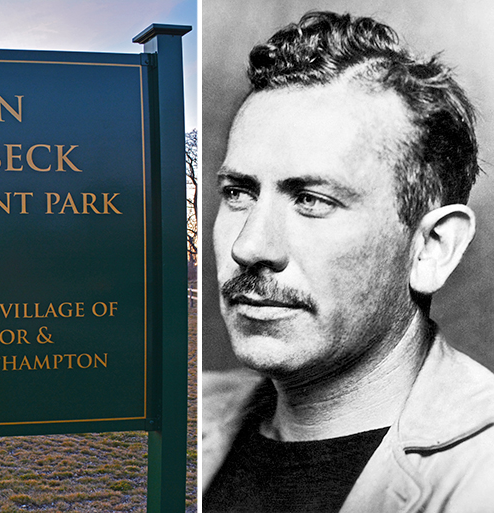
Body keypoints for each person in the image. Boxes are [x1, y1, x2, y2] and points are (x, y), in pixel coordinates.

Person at [202, 11, 494, 513]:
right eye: (239, 193)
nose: (249, 247)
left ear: (432, 248)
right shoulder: (173, 413)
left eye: (312, 199)